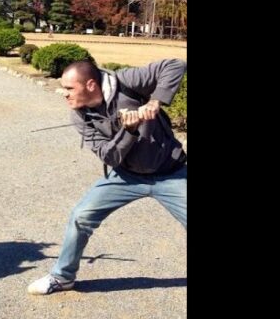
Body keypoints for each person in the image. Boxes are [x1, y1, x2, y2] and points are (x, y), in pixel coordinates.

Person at [27, 58, 187, 295]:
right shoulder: (79, 116)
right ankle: (62, 277)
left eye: (70, 89)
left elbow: (175, 64)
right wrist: (129, 130)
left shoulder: (126, 81)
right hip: (125, 177)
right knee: (81, 216)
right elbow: (109, 157)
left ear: (91, 85)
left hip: (171, 172)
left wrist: (155, 101)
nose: (65, 94)